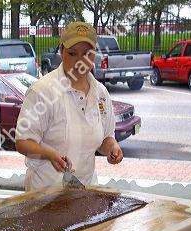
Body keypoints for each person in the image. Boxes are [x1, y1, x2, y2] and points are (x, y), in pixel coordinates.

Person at [15, 21, 123, 192]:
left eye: (87, 54)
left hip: (87, 193)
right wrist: (49, 154)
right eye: (72, 53)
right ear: (61, 51)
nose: (80, 61)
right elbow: (22, 142)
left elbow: (105, 138)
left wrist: (112, 148)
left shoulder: (100, 93)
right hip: (45, 194)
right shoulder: (42, 91)